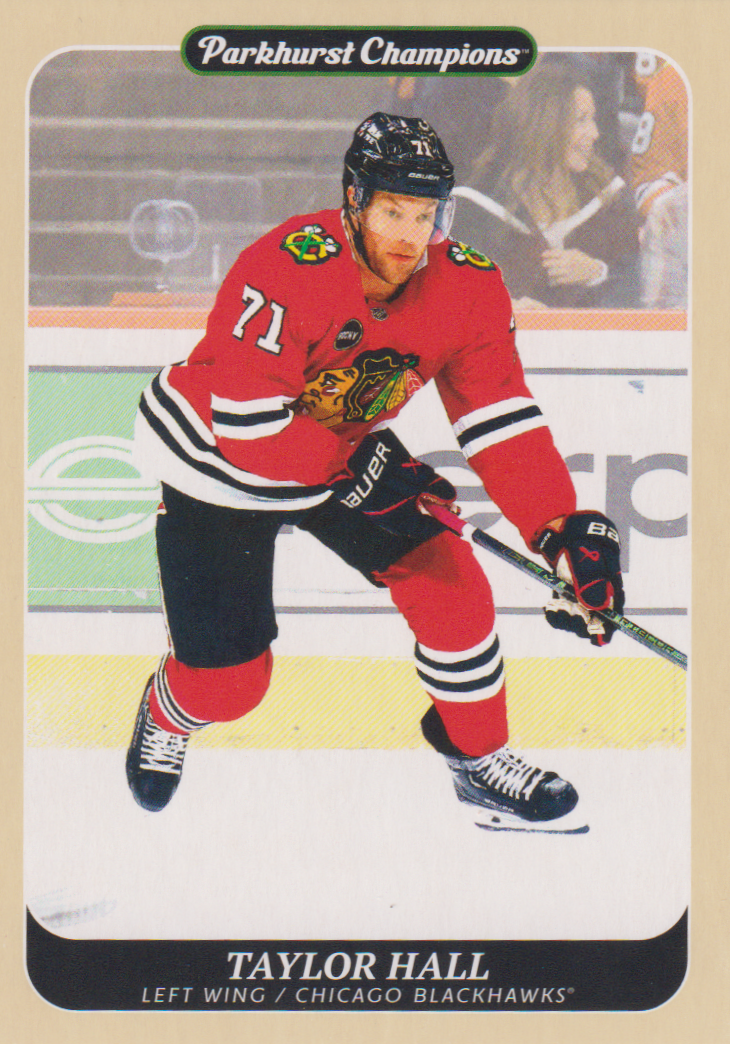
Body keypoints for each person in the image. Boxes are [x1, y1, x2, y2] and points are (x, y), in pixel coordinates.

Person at [128, 112, 624, 833]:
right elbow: (250, 428)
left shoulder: (468, 285)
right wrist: (358, 469)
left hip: (336, 450)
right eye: (393, 211)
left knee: (453, 587)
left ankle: (478, 758)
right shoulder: (287, 265)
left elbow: (500, 417)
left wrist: (559, 527)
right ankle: (169, 712)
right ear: (354, 200)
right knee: (230, 688)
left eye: (426, 214)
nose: (410, 235)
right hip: (216, 460)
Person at [451, 60, 641, 309]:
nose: (595, 133)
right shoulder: (474, 208)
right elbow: (448, 294)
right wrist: (502, 307)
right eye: (581, 120)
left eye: (593, 119)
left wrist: (597, 271)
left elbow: (641, 287)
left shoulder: (609, 200)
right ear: (544, 126)